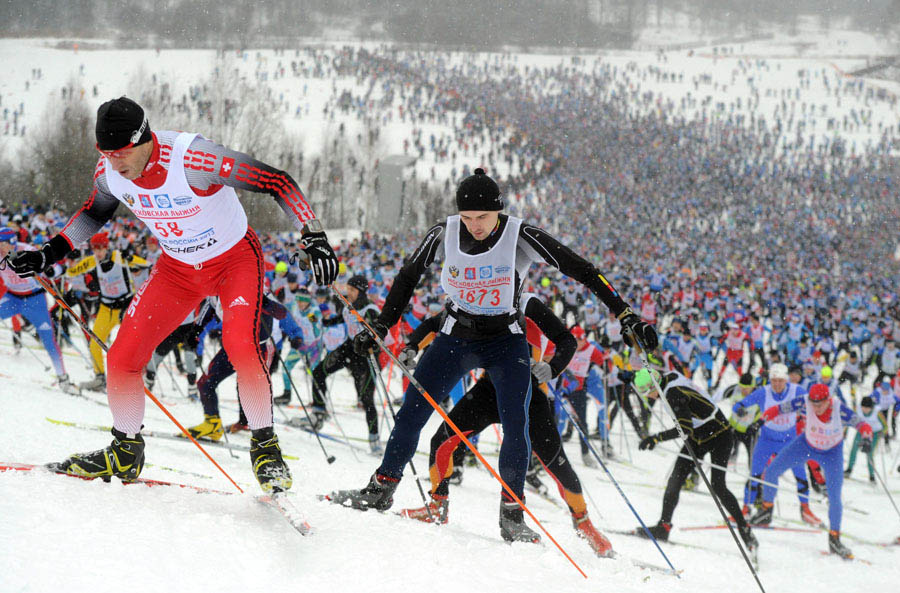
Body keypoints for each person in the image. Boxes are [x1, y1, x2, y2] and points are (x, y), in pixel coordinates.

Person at [9, 97, 338, 492]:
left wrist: (313, 233)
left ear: (143, 137)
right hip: (177, 270)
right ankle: (125, 450)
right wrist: (51, 252)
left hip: (234, 261)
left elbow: (276, 181)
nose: (115, 163)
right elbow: (94, 212)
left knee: (241, 346)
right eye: (106, 154)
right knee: (123, 356)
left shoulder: (194, 159)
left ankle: (265, 448)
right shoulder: (110, 172)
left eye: (121, 153)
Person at [325, 168, 657, 543]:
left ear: (498, 211)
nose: (475, 226)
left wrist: (625, 313)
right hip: (456, 334)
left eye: (483, 217)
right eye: (467, 218)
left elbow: (582, 269)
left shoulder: (520, 234)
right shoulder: (443, 231)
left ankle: (512, 515)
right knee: (413, 410)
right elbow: (407, 277)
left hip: (504, 339)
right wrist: (382, 326)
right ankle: (382, 487)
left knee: (516, 425)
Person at [398, 293, 614, 556]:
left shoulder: (528, 302)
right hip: (490, 388)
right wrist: (412, 345)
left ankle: (584, 523)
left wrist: (553, 367)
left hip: (530, 393)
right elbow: (437, 323)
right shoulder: (477, 296)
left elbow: (566, 341)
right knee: (442, 441)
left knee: (556, 463)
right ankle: (437, 505)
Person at [630, 368, 758, 553]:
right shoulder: (668, 377)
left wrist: (656, 438)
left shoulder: (673, 394)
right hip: (698, 436)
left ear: (654, 385)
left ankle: (745, 530)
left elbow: (684, 429)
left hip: (719, 435)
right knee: (675, 479)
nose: (650, 397)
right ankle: (663, 527)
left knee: (718, 486)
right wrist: (629, 375)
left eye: (649, 393)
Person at [749, 384, 873, 559]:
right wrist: (761, 421)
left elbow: (862, 424)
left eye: (820, 404)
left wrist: (867, 438)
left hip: (832, 453)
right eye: (813, 403)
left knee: (834, 496)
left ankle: (834, 539)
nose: (815, 407)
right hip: (806, 446)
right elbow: (778, 409)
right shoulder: (804, 402)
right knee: (772, 471)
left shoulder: (839, 409)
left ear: (828, 400)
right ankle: (766, 512)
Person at [300, 274, 383, 454]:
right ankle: (319, 411)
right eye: (348, 289)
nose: (348, 292)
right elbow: (338, 320)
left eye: (352, 290)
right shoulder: (348, 306)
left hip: (366, 356)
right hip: (349, 348)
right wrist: (321, 320)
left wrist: (372, 334)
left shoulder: (370, 309)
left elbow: (379, 331)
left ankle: (374, 439)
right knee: (318, 372)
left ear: (361, 292)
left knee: (367, 400)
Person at [732, 363, 820, 524]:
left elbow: (814, 404)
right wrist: (739, 410)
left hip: (790, 441)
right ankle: (746, 508)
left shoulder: (797, 391)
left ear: (786, 380)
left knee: (800, 475)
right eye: (774, 381)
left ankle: (805, 510)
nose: (777, 384)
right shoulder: (763, 393)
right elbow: (740, 404)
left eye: (780, 380)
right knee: (755, 474)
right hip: (766, 440)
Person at [65, 231, 150, 391]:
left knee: (132, 342)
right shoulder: (91, 261)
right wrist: (61, 270)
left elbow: (144, 265)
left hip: (126, 306)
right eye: (94, 248)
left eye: (100, 248)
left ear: (106, 247)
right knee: (94, 344)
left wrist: (131, 259)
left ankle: (137, 376)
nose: (98, 252)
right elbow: (72, 272)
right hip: (106, 307)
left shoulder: (119, 257)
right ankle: (99, 378)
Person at [0, 227, 77, 394]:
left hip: (35, 301)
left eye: (3, 244)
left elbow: (55, 267)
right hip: (12, 298)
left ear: (12, 243)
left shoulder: (27, 250)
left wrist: (50, 270)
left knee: (49, 341)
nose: (1, 248)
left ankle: (63, 378)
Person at [844, 396, 882, 483]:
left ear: (871, 408)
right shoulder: (858, 410)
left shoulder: (877, 412)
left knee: (869, 453)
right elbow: (850, 420)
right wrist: (845, 432)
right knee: (854, 449)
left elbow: (885, 425)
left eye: (867, 408)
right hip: (862, 431)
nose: (865, 410)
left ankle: (872, 475)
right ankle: (849, 469)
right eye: (863, 407)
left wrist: (883, 433)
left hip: (874, 433)